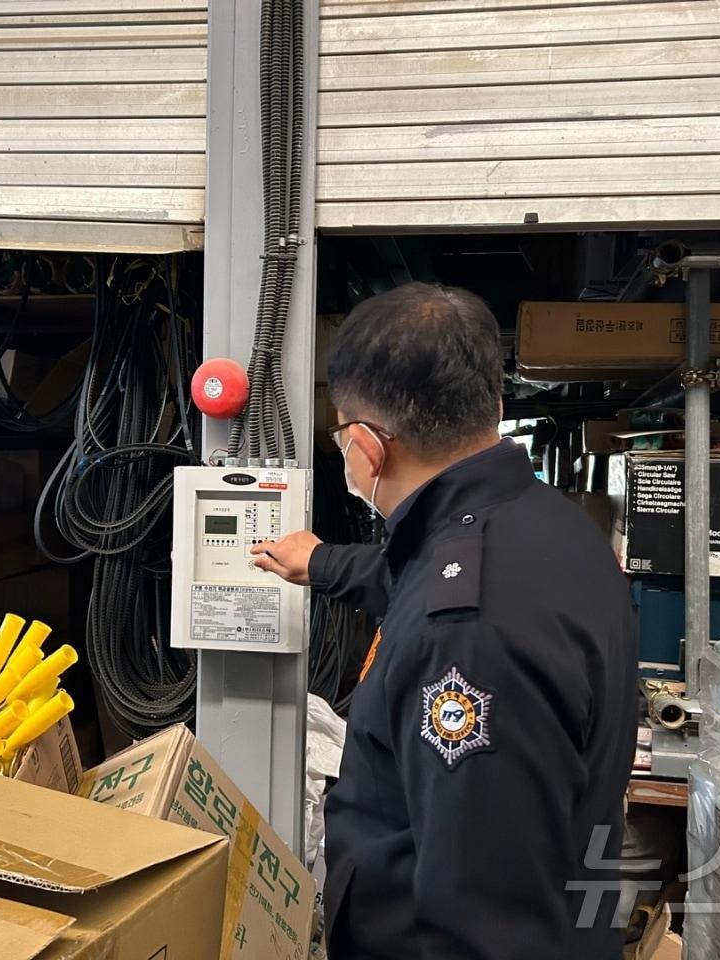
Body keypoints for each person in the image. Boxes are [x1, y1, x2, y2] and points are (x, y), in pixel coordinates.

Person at [251, 283, 637, 959]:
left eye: (342, 436)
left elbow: (483, 922)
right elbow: (417, 577)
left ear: (367, 448)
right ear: (493, 404)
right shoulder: (546, 526)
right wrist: (320, 564)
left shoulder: (466, 637)